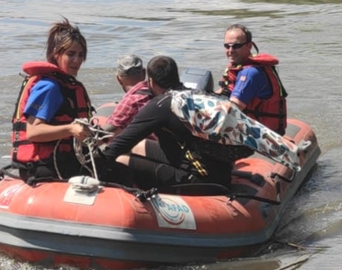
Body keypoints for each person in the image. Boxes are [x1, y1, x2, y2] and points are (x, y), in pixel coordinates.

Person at [98, 56, 250, 191]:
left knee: (121, 159)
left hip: (202, 180)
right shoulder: (196, 95)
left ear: (150, 81)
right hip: (217, 170)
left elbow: (120, 145)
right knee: (139, 145)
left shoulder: (161, 105)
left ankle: (134, 205)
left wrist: (94, 166)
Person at [10, 19, 95, 181]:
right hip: (44, 166)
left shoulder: (66, 85)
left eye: (81, 55)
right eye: (71, 54)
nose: (77, 60)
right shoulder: (49, 87)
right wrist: (71, 129)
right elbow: (34, 132)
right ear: (56, 54)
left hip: (63, 159)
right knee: (118, 173)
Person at [217, 23, 288, 134]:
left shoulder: (250, 74)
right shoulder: (237, 68)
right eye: (227, 46)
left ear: (249, 46)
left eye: (236, 46)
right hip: (246, 129)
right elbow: (222, 92)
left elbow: (233, 109)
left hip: (260, 136)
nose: (230, 50)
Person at [104, 54, 152, 135]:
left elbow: (107, 130)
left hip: (143, 145)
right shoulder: (157, 93)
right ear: (144, 73)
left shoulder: (130, 102)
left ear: (119, 79)